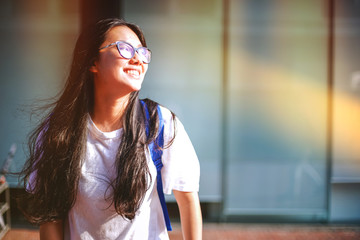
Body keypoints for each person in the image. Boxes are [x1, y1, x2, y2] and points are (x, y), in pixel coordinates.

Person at [18, 18, 202, 240]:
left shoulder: (160, 124)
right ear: (93, 62)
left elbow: (188, 199)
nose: (137, 59)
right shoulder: (59, 130)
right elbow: (51, 219)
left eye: (143, 52)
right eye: (125, 49)